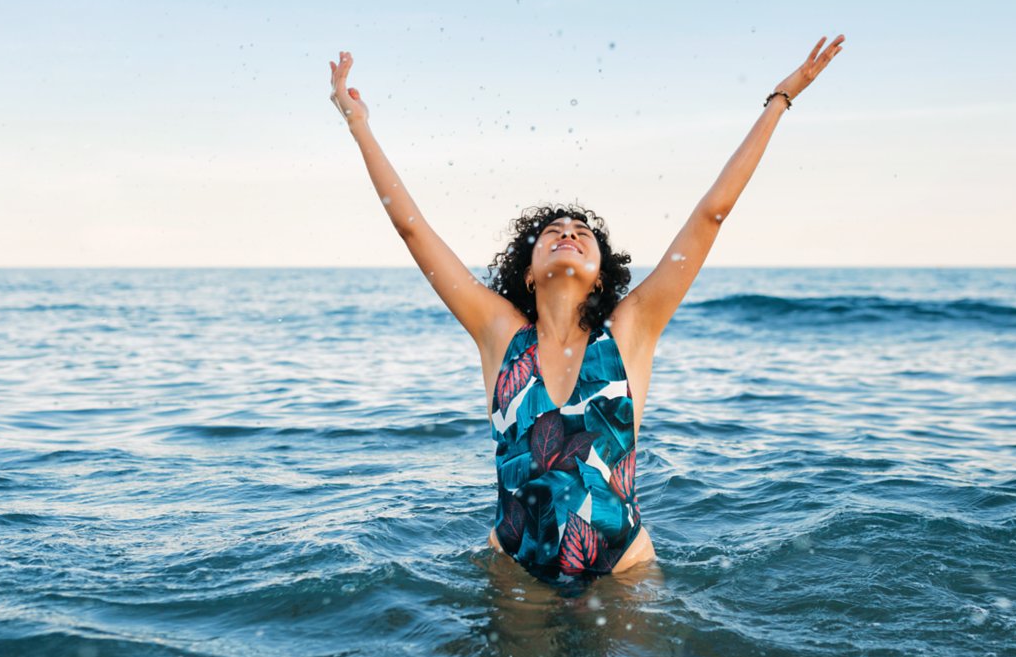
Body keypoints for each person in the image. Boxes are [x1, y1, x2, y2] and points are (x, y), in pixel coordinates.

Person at [327, 34, 845, 586]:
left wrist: (780, 99)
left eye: (581, 233)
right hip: (517, 570)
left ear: (601, 271)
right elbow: (411, 229)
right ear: (527, 271)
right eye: (552, 232)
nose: (568, 234)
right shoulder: (500, 334)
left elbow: (712, 215)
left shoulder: (630, 330)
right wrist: (358, 123)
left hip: (623, 570)